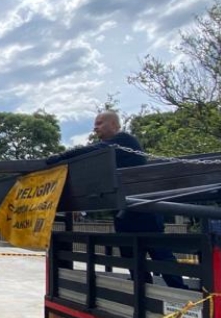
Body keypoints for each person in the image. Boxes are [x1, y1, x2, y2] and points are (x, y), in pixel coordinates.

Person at [46, 110, 186, 288]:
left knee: (160, 253)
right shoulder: (108, 154)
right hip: (125, 213)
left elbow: (94, 149)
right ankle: (143, 293)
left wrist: (62, 157)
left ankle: (180, 291)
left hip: (145, 210)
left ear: (114, 125)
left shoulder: (124, 141)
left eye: (99, 123)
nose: (95, 128)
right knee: (131, 258)